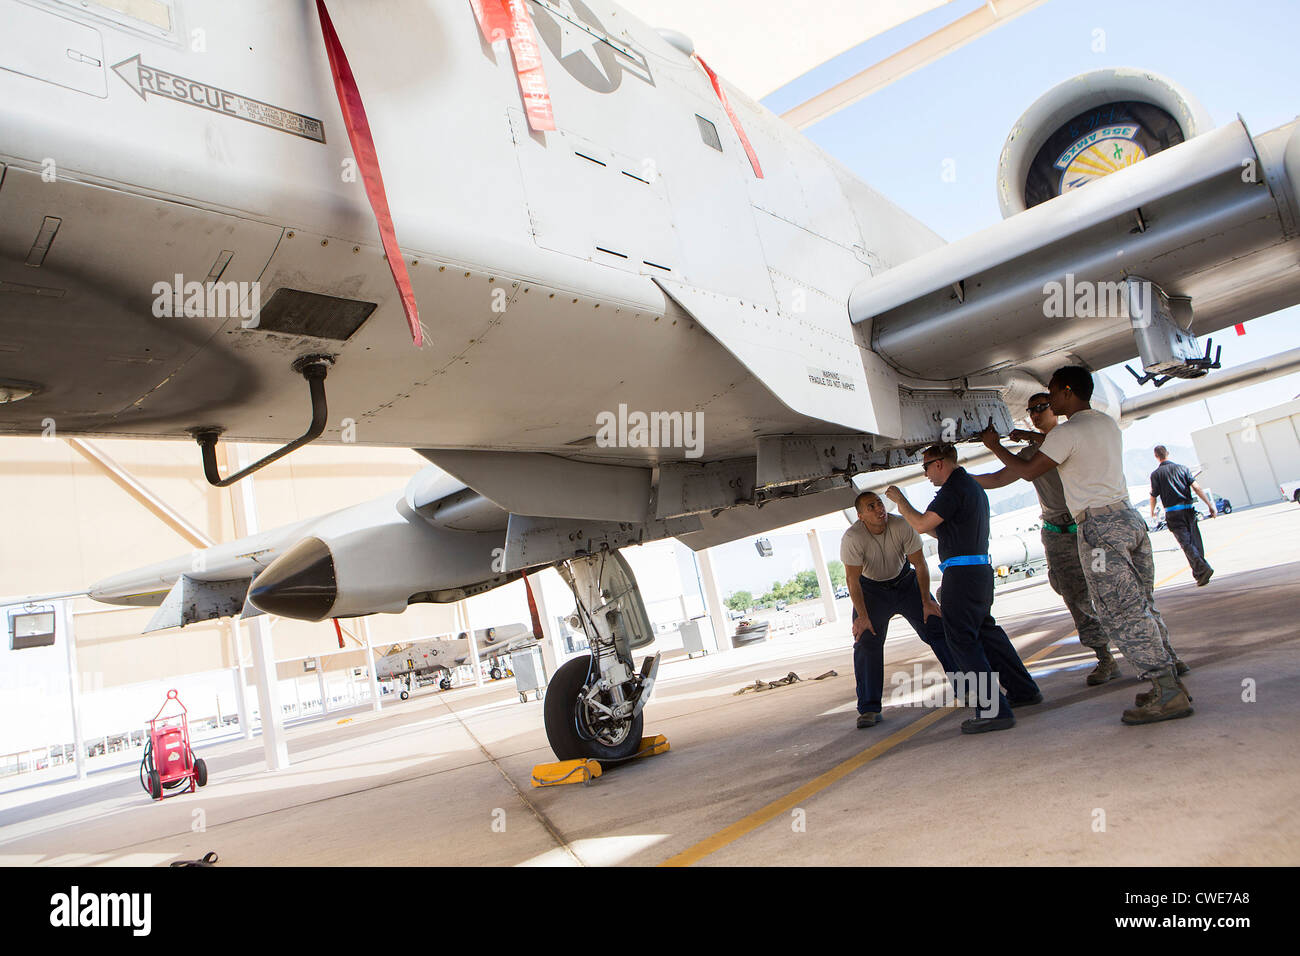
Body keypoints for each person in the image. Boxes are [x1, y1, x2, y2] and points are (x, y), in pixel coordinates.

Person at [978, 365, 1192, 725]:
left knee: (1119, 609)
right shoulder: (1104, 423)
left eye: (1051, 394)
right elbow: (1051, 449)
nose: (1045, 403)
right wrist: (1026, 439)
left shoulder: (1066, 433)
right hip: (1129, 519)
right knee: (1140, 601)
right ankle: (1168, 674)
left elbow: (1028, 471)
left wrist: (995, 445)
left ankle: (1167, 692)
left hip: (1099, 528)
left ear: (1065, 392)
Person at [885, 444, 1041, 734]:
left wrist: (900, 501)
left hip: (962, 575)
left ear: (940, 463)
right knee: (987, 633)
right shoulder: (970, 487)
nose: (926, 474)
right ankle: (1023, 690)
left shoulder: (953, 489)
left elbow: (920, 525)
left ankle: (993, 711)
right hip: (979, 572)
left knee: (962, 641)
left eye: (926, 467)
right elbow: (938, 528)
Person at [974, 393, 1117, 685]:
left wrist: (997, 446)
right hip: (1057, 534)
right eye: (1031, 410)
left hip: (1088, 530)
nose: (1036, 413)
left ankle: (1153, 652)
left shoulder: (1069, 438)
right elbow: (998, 479)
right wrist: (958, 477)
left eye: (1042, 407)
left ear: (1056, 409)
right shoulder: (1032, 451)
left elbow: (1034, 466)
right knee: (1074, 595)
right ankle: (1106, 658)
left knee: (1113, 589)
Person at [840, 490, 958, 729]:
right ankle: (869, 709)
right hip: (871, 590)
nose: (878, 509)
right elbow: (852, 581)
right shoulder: (852, 538)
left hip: (905, 583)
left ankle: (967, 688)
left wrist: (926, 601)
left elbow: (920, 564)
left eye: (879, 504)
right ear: (861, 516)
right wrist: (862, 617)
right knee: (866, 641)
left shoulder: (901, 525)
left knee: (936, 627)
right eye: (871, 507)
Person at [1149, 445, 1216, 586]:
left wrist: (1152, 511)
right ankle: (1200, 574)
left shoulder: (1156, 475)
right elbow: (1197, 488)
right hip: (1189, 510)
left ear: (1156, 456)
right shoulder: (1183, 469)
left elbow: (1153, 495)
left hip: (1173, 513)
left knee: (1186, 544)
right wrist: (1210, 505)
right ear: (1168, 453)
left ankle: (1202, 569)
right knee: (1195, 542)